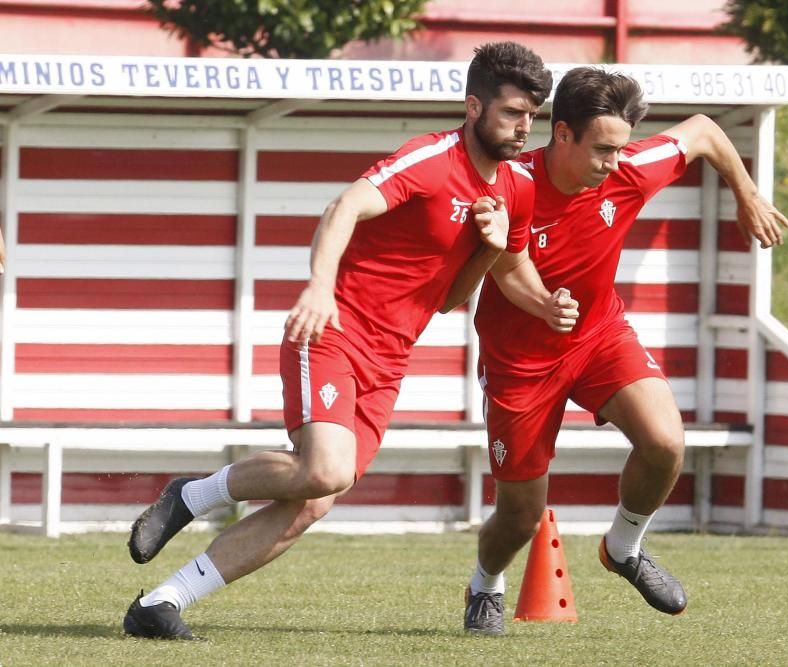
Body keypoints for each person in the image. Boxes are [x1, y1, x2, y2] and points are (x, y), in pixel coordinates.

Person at [122, 41, 564, 641]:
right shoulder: (430, 158)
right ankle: (192, 494)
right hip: (332, 330)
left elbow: (451, 298)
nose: (523, 127)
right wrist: (320, 288)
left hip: (389, 357)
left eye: (532, 116)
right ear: (473, 107)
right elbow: (344, 205)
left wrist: (491, 247)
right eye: (513, 112)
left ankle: (161, 603)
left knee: (314, 498)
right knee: (325, 469)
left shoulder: (516, 187)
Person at [463, 67, 788, 635]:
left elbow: (705, 131)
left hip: (598, 337)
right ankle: (485, 585)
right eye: (603, 148)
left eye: (621, 147)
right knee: (519, 516)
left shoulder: (628, 171)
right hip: (520, 363)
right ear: (561, 134)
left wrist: (748, 195)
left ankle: (624, 547)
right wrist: (542, 304)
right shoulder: (508, 184)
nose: (616, 162)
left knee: (665, 442)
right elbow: (504, 267)